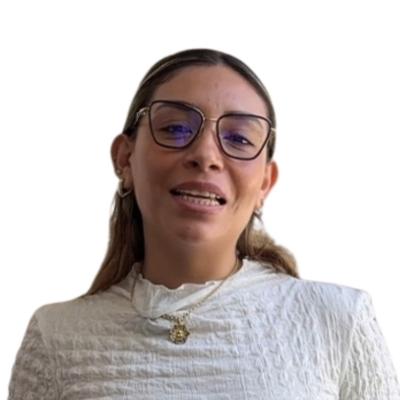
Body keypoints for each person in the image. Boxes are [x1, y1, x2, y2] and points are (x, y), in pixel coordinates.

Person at [8, 48, 400, 399]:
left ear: (265, 183)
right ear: (125, 159)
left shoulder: (339, 321)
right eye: (175, 128)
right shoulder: (57, 336)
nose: (206, 155)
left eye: (240, 139)